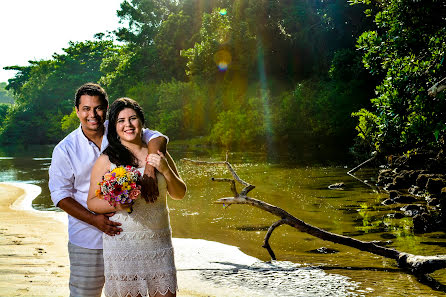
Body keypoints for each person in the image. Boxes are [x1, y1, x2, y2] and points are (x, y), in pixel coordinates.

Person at [49, 83, 167, 297]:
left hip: (128, 237)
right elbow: (60, 196)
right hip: (88, 238)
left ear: (105, 108)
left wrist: (149, 169)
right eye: (85, 108)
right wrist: (94, 219)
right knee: (85, 294)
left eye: (98, 108)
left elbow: (158, 138)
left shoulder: (120, 129)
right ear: (77, 111)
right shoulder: (65, 149)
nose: (92, 114)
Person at [87, 98, 186, 297]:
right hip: (123, 243)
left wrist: (165, 170)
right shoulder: (107, 159)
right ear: (114, 127)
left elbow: (179, 193)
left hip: (159, 243)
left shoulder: (159, 154)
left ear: (141, 122)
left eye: (132, 119)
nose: (128, 125)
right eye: (121, 121)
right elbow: (92, 202)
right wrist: (118, 204)